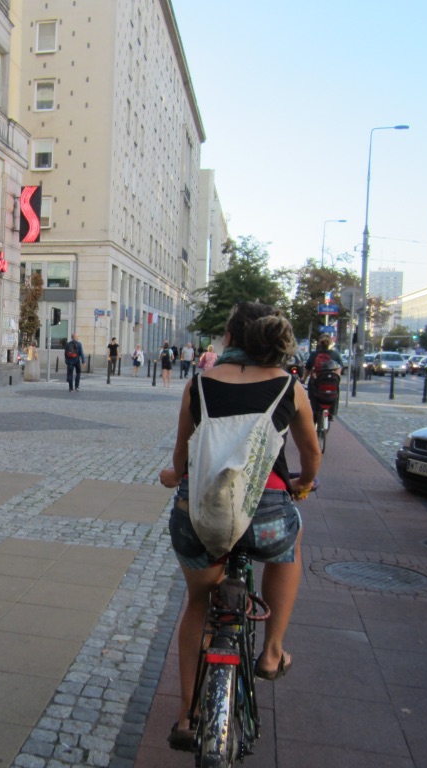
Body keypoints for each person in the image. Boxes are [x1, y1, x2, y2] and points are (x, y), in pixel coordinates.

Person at [158, 301, 321, 751]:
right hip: (266, 513)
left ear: (230, 337)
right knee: (290, 542)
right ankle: (272, 652)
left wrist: (173, 476)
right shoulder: (290, 386)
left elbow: (182, 456)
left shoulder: (199, 384)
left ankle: (188, 716)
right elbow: (311, 454)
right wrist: (303, 483)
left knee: (199, 602)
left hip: (202, 515)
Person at [305, 336, 344, 419]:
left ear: (319, 343)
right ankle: (332, 412)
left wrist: (303, 379)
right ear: (330, 343)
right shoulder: (335, 354)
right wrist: (337, 378)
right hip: (331, 383)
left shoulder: (314, 354)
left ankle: (314, 413)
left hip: (317, 382)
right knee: (336, 392)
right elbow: (340, 367)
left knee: (313, 395)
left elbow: (307, 369)